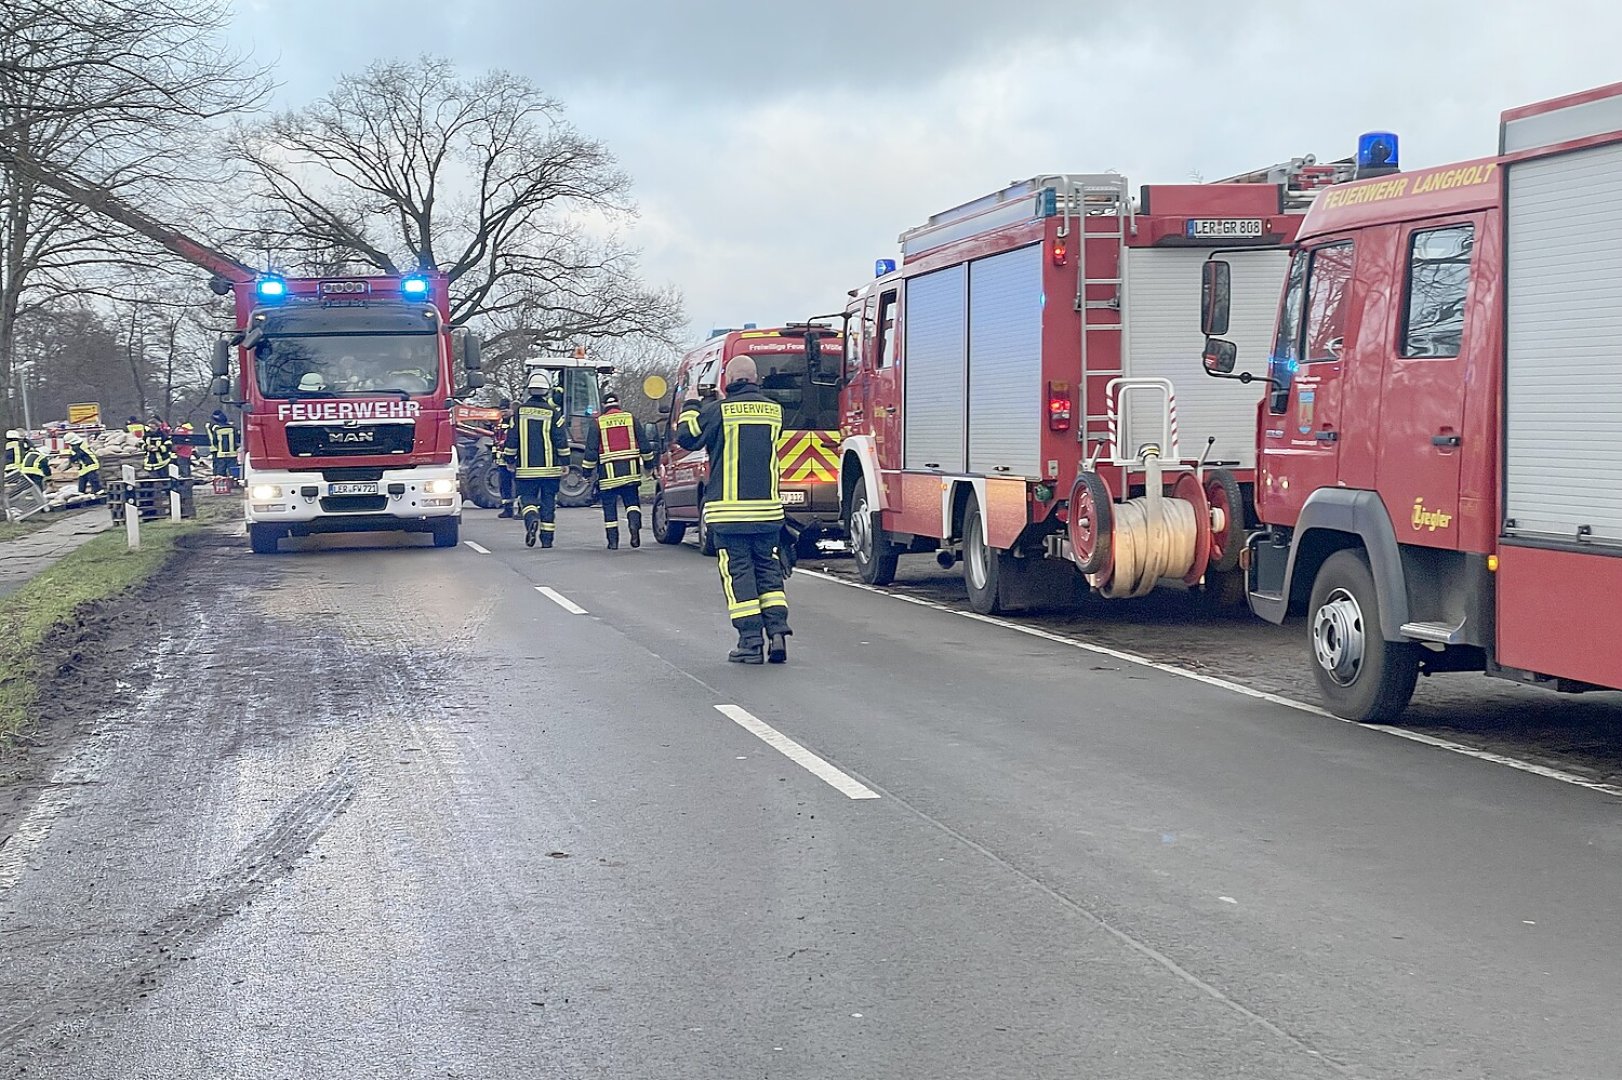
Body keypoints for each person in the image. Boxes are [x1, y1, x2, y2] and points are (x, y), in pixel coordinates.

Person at [675, 355, 792, 664]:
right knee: (768, 570)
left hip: (729, 514)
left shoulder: (718, 411)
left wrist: (691, 403)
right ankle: (777, 632)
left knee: (739, 574)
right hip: (768, 513)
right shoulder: (774, 411)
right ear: (755, 379)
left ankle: (750, 642)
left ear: (728, 380)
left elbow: (686, 437)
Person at [504, 372, 569, 549]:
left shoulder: (519, 413)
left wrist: (509, 459)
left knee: (526, 499)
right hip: (550, 471)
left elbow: (512, 440)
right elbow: (560, 440)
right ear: (546, 391)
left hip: (526, 470)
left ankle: (532, 518)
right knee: (549, 503)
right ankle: (547, 540)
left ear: (530, 390)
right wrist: (565, 462)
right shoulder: (553, 413)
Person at [584, 391, 654, 550]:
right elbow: (645, 445)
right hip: (630, 473)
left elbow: (591, 451)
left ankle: (613, 542)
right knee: (632, 503)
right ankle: (634, 526)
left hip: (608, 476)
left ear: (603, 405)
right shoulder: (631, 419)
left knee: (609, 509)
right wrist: (649, 466)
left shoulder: (598, 423)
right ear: (619, 402)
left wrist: (586, 473)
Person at [492, 398, 516, 519]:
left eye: (506, 410)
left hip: (514, 460)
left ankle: (523, 509)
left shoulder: (515, 421)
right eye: (502, 410)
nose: (504, 412)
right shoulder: (499, 423)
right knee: (504, 485)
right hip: (501, 460)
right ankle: (508, 509)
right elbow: (495, 440)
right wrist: (494, 455)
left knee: (519, 485)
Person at [207, 409, 239, 481]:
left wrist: (218, 448)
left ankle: (221, 485)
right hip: (232, 454)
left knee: (220, 473)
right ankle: (233, 483)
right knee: (233, 472)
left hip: (221, 454)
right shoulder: (233, 429)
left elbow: (215, 441)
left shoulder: (217, 429)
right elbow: (237, 439)